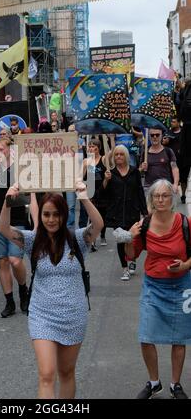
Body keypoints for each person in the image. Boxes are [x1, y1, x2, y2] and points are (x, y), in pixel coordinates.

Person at [0, 185, 103, 399]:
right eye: (46, 214)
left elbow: (99, 224)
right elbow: (4, 229)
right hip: (42, 316)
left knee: (66, 372)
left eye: (56, 214)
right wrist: (8, 200)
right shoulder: (32, 240)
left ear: (64, 215)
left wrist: (83, 198)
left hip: (74, 316)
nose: (51, 219)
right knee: (46, 374)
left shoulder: (78, 239)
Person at [125, 179, 191, 399]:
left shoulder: (185, 223)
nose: (161, 200)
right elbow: (131, 255)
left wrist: (185, 265)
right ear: (151, 199)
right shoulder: (144, 225)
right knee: (146, 335)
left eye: (165, 196)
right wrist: (129, 237)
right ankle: (154, 382)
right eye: (157, 196)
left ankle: (175, 384)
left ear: (172, 199)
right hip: (153, 286)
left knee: (179, 338)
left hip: (181, 285)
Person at [0, 138, 39, 318]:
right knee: (3, 261)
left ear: (10, 150)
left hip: (17, 222)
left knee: (15, 260)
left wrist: (36, 225)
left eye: (1, 148)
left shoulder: (21, 170)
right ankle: (9, 301)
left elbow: (31, 199)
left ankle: (23, 289)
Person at [103, 145, 147, 280]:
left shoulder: (134, 172)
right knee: (122, 239)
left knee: (132, 239)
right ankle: (125, 268)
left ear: (126, 156)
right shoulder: (110, 173)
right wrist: (106, 180)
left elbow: (140, 192)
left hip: (132, 211)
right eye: (116, 155)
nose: (118, 157)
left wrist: (144, 212)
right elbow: (103, 193)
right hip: (116, 213)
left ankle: (132, 260)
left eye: (121, 154)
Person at [79, 139, 108, 247]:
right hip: (91, 190)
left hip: (102, 189)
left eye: (93, 146)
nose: (91, 148)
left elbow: (110, 158)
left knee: (102, 214)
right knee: (92, 215)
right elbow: (81, 177)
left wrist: (111, 139)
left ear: (98, 148)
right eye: (89, 146)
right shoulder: (86, 161)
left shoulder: (103, 159)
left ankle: (103, 235)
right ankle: (93, 238)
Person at [139, 128, 179, 195]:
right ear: (149, 136)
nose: (155, 137)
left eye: (157, 135)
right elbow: (139, 171)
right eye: (152, 135)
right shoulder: (145, 153)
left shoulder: (168, 151)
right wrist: (142, 168)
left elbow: (174, 168)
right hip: (149, 188)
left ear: (161, 136)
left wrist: (175, 184)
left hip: (165, 187)